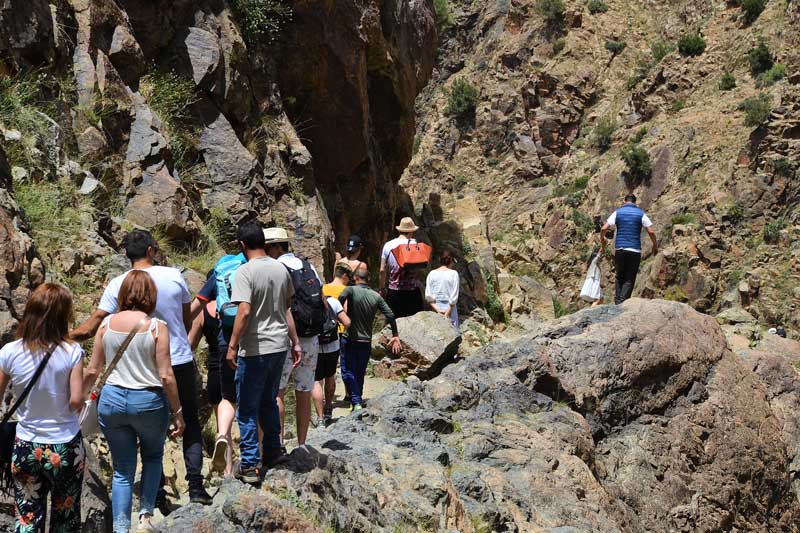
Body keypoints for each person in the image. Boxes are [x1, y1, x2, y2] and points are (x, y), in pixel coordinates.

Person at [71, 229, 212, 507]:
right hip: (178, 360)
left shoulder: (118, 284)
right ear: (151, 250)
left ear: (125, 254)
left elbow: (91, 327)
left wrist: (60, 335)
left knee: (147, 434)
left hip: (136, 368)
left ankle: (155, 494)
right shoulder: (174, 276)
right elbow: (185, 320)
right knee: (190, 422)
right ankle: (195, 486)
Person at [83, 271, 185, 533]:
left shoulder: (105, 324)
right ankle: (145, 518)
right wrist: (178, 411)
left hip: (113, 400)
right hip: (148, 401)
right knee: (152, 457)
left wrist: (78, 399)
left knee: (122, 470)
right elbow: (166, 375)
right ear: (150, 295)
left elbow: (93, 370)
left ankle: (120, 528)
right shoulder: (156, 327)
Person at [0, 284, 85, 533]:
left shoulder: (10, 352)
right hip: (65, 445)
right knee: (66, 519)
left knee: (27, 518)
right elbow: (75, 401)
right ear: (63, 315)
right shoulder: (72, 352)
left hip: (26, 444)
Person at [225, 222, 302, 483]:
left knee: (247, 409)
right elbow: (287, 308)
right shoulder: (281, 269)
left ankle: (249, 465)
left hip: (255, 348)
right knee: (268, 401)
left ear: (242, 245)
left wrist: (233, 345)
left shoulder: (245, 272)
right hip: (279, 345)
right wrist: (296, 342)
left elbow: (244, 311)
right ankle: (272, 451)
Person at [265, 227, 323, 451]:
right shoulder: (309, 266)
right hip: (311, 338)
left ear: (277, 247)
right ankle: (302, 443)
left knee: (277, 392)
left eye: (268, 247)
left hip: (286, 338)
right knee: (304, 390)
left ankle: (278, 445)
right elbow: (323, 301)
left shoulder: (276, 268)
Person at [188, 272, 236, 476]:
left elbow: (190, 344)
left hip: (216, 367)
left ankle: (227, 470)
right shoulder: (237, 307)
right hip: (238, 362)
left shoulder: (203, 312)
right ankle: (253, 460)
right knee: (245, 414)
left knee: (221, 418)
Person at [339, 267, 401, 410]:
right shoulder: (376, 296)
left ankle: (356, 401)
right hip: (366, 340)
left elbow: (338, 303)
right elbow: (390, 315)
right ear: (368, 279)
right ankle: (358, 399)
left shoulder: (350, 290)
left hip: (350, 338)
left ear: (355, 278)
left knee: (348, 370)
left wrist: (341, 317)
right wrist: (395, 335)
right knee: (360, 371)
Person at [600, 194, 658, 305]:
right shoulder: (641, 213)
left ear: (624, 201)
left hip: (620, 249)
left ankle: (618, 302)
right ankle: (623, 302)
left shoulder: (618, 212)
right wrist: (655, 246)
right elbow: (651, 231)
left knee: (619, 276)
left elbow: (604, 228)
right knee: (629, 278)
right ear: (635, 202)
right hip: (634, 250)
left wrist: (603, 241)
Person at [313, 294, 350, 426]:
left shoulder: (307, 302)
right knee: (330, 376)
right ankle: (328, 408)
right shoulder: (333, 302)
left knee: (316, 381)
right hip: (333, 347)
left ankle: (320, 418)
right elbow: (347, 322)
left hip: (313, 347)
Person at [380, 217, 425, 318]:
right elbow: (421, 269)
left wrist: (382, 288)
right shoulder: (415, 245)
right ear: (411, 231)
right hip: (413, 291)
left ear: (400, 230)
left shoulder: (388, 245)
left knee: (394, 324)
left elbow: (382, 269)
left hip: (394, 291)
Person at [322, 264, 352, 401]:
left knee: (323, 368)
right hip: (340, 330)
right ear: (345, 276)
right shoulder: (346, 289)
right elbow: (345, 312)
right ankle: (348, 393)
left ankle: (324, 396)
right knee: (345, 362)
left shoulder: (323, 288)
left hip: (324, 331)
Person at [424, 250, 461, 330]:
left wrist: (438, 310)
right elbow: (454, 295)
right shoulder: (454, 274)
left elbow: (428, 295)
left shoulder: (432, 273)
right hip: (450, 307)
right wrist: (447, 313)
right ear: (451, 261)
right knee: (453, 334)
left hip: (435, 307)